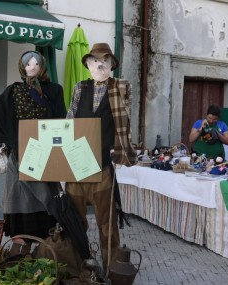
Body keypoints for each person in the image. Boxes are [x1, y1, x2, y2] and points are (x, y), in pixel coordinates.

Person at [65, 43, 137, 272]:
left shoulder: (120, 88)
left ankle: (112, 268)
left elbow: (125, 121)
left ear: (112, 65)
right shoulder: (80, 87)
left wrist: (121, 151)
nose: (99, 64)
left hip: (103, 165)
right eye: (95, 60)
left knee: (107, 222)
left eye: (105, 60)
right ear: (87, 64)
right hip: (77, 165)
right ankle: (77, 265)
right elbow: (69, 119)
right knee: (75, 221)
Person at [0, 51, 66, 240]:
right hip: (19, 154)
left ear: (42, 67)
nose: (32, 67)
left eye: (36, 64)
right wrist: (6, 141)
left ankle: (46, 243)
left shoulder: (54, 90)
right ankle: (21, 244)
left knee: (45, 195)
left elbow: (60, 118)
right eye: (28, 64)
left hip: (44, 153)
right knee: (20, 197)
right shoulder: (13, 90)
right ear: (22, 67)